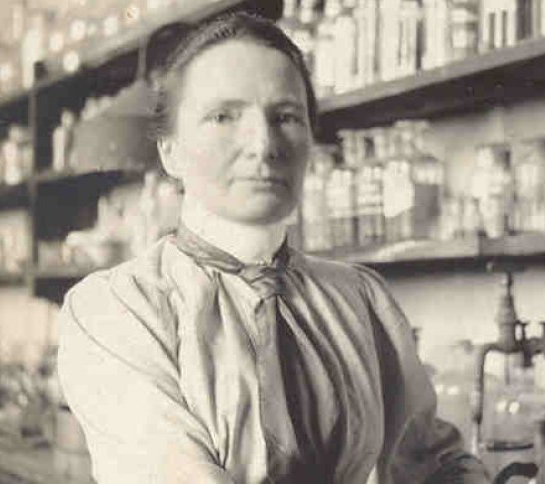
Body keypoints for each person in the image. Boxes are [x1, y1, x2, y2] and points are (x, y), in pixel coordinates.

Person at [57, 11, 490, 484]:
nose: (263, 144)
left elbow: (431, 465)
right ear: (170, 151)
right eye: (223, 116)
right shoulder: (115, 308)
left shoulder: (362, 298)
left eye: (285, 117)